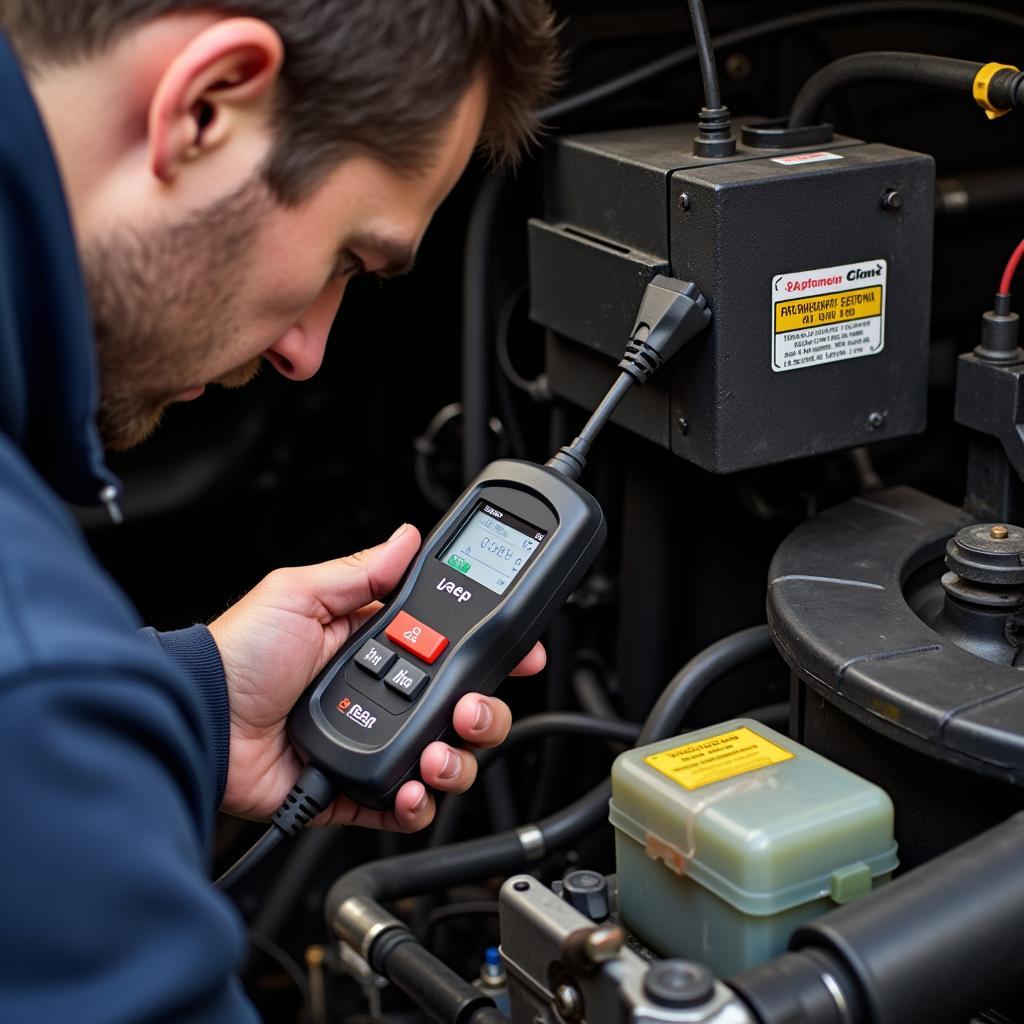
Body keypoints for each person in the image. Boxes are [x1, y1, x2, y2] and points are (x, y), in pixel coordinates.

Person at [0, 1, 559, 1019]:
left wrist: (197, 701)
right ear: (208, 107)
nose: (307, 351)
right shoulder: (32, 692)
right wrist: (70, 714)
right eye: (348, 256)